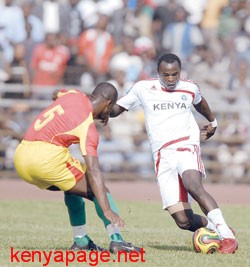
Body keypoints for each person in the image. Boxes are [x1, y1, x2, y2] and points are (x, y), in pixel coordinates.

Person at [110, 53, 238, 254]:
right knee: (183, 221)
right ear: (158, 72)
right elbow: (118, 108)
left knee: (193, 185)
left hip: (186, 145)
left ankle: (228, 238)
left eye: (175, 74)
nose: (171, 79)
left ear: (180, 72)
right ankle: (216, 227)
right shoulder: (142, 88)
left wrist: (213, 122)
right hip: (162, 155)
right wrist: (100, 109)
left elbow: (200, 102)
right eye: (166, 75)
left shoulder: (189, 87)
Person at [14, 82, 140, 254]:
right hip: (46, 159)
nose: (108, 116)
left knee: (73, 188)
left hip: (21, 155)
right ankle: (117, 240)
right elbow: (94, 171)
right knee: (100, 190)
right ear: (108, 104)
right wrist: (107, 209)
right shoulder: (87, 126)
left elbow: (56, 92)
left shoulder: (73, 94)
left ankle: (81, 240)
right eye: (109, 111)